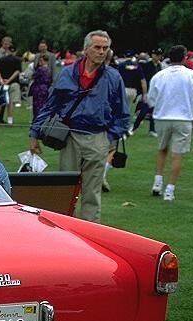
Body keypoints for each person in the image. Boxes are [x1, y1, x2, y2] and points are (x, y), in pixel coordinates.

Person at [29, 30, 129, 223]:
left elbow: (123, 114)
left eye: (105, 48)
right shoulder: (67, 73)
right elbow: (50, 106)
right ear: (86, 49)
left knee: (92, 193)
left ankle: (91, 236)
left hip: (98, 136)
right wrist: (34, 134)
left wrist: (109, 138)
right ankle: (65, 233)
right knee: (66, 191)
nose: (101, 52)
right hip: (70, 136)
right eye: (97, 47)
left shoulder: (113, 78)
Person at [147, 45, 193, 201]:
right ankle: (169, 190)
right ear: (184, 58)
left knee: (162, 149)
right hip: (183, 118)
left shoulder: (159, 75)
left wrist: (158, 108)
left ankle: (157, 183)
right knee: (177, 154)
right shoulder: (192, 75)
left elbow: (151, 98)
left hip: (162, 117)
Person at [132, 48, 163, 137]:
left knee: (154, 111)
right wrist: (143, 92)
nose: (157, 57)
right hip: (148, 91)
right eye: (156, 55)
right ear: (152, 55)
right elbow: (143, 79)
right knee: (144, 111)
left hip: (156, 92)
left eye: (159, 55)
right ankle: (134, 127)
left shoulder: (159, 66)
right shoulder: (147, 65)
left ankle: (152, 129)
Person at [0, 44, 21, 125]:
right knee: (11, 102)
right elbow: (17, 72)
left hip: (2, 84)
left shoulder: (2, 59)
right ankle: (10, 120)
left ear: (7, 50)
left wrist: (1, 80)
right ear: (15, 51)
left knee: (0, 101)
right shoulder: (17, 60)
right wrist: (9, 80)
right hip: (13, 83)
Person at [29, 50, 52, 120]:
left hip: (38, 88)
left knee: (37, 105)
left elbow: (33, 76)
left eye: (41, 61)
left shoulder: (40, 69)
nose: (40, 62)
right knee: (43, 104)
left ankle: (37, 118)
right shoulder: (49, 70)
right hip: (46, 88)